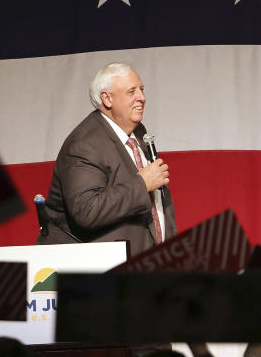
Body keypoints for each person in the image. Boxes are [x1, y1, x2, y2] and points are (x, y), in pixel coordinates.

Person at [38, 62, 176, 255]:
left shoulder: (139, 133)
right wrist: (142, 184)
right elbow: (86, 211)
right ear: (107, 98)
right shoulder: (85, 143)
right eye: (131, 92)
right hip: (94, 270)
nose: (142, 98)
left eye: (142, 89)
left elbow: (157, 201)